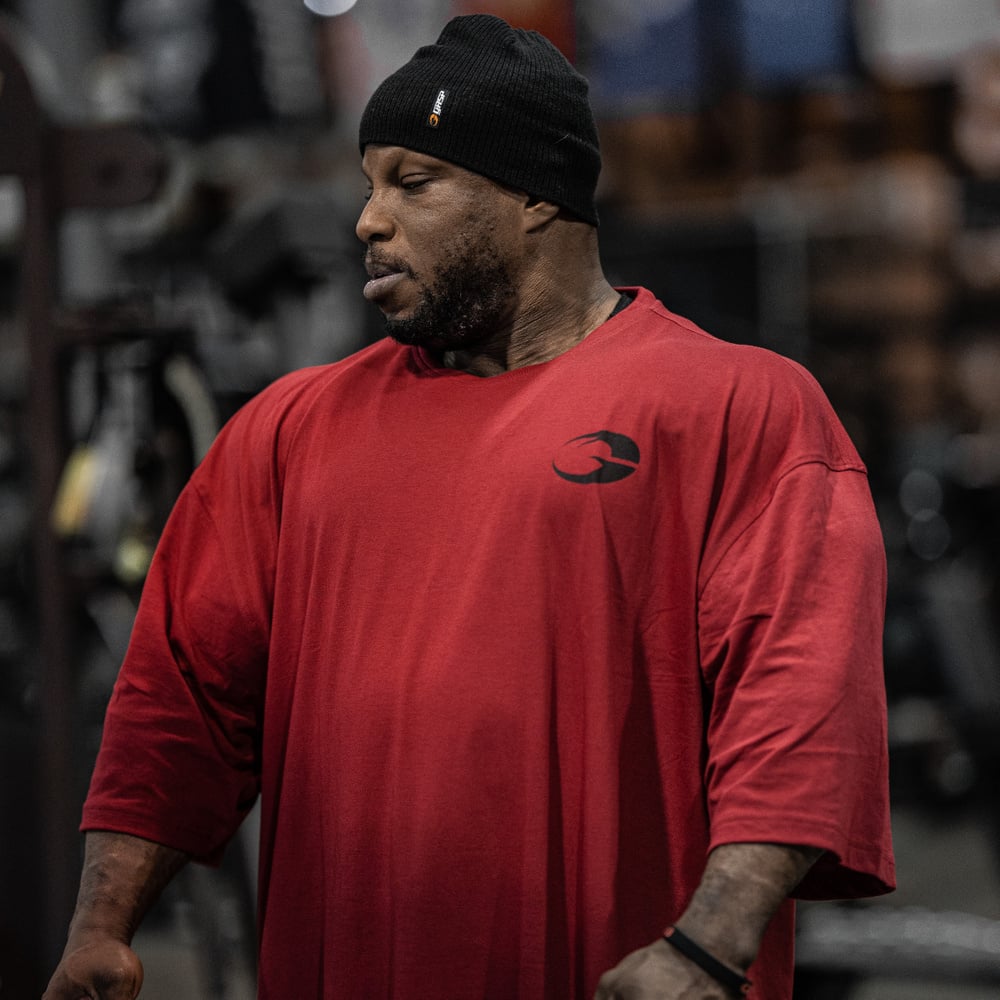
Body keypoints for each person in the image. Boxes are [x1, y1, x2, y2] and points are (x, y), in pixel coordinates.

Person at [43, 14, 894, 1000]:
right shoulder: (288, 431)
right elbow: (178, 701)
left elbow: (799, 704)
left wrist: (707, 948)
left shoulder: (733, 408)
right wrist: (101, 927)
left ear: (535, 195)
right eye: (368, 185)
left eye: (413, 182)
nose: (368, 221)